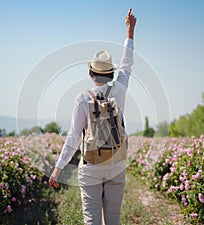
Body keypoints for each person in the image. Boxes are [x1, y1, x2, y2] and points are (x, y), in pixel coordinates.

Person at [49, 8, 136, 225]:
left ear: (90, 73)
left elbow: (73, 138)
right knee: (113, 219)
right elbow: (127, 64)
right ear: (112, 73)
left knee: (91, 220)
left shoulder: (82, 98)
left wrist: (58, 169)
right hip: (116, 163)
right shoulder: (119, 89)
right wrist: (130, 31)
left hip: (91, 167)